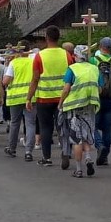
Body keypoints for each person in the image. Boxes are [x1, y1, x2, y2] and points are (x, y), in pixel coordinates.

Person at [29, 27, 71, 167]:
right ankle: (65, 152)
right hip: (62, 98)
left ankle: (46, 158)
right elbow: (72, 76)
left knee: (45, 128)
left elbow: (35, 79)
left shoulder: (40, 56)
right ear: (59, 37)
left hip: (44, 98)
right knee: (63, 127)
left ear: (46, 37)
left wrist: (29, 98)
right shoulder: (66, 55)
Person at [59, 45, 102, 179]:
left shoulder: (72, 69)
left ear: (76, 56)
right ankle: (88, 157)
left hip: (74, 108)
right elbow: (100, 88)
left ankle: (78, 169)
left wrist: (61, 103)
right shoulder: (95, 69)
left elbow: (66, 89)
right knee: (87, 134)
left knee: (76, 138)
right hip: (90, 106)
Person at [93, 37, 111, 167]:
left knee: (92, 126)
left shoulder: (93, 60)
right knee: (107, 129)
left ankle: (99, 146)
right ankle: (104, 157)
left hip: (97, 97)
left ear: (100, 46)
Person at [3, 44, 35, 160]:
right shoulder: (32, 62)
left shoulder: (14, 63)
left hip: (15, 98)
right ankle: (28, 151)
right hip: (30, 97)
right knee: (30, 124)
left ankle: (12, 148)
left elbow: (6, 80)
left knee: (15, 123)